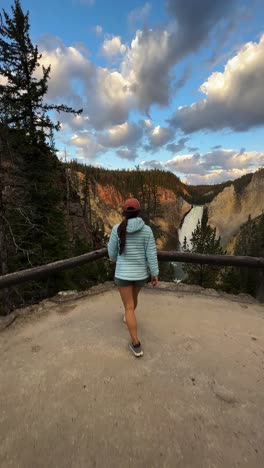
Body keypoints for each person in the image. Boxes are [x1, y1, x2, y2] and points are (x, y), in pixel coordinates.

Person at [108, 198, 159, 357]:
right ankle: (129, 317)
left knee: (128, 307)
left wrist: (116, 260)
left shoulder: (117, 228)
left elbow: (111, 253)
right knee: (133, 300)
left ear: (124, 212)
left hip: (123, 274)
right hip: (140, 275)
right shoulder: (147, 230)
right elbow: (151, 253)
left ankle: (136, 344)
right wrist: (154, 273)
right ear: (138, 212)